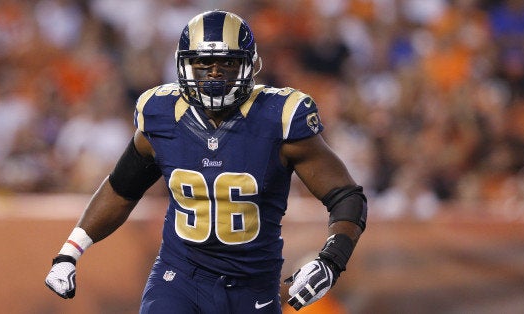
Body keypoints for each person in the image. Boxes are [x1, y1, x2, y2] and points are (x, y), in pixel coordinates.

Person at [45, 10, 367, 313]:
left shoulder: (279, 118)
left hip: (251, 286)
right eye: (203, 61)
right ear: (185, 66)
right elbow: (121, 189)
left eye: (226, 62)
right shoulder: (162, 115)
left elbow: (346, 196)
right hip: (180, 278)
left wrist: (330, 260)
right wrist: (70, 251)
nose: (214, 72)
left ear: (249, 65)